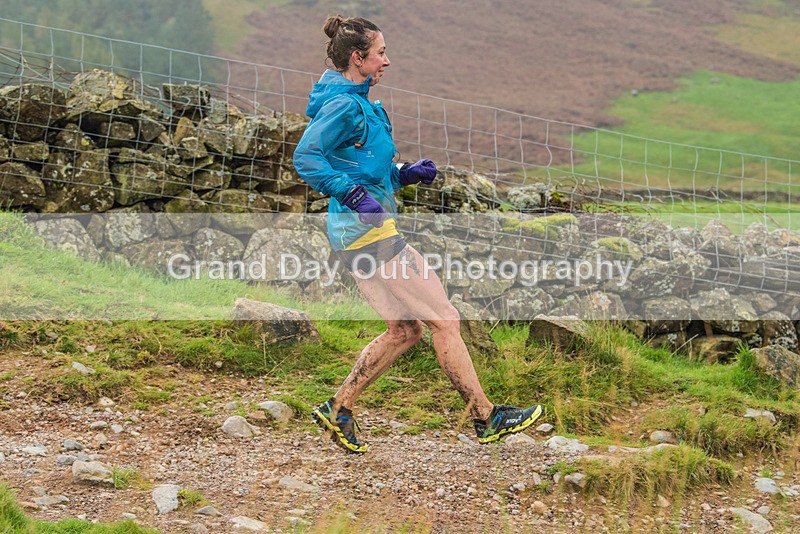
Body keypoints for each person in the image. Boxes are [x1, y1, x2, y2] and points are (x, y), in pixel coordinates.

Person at [292, 15, 543, 453]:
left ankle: (338, 409)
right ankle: (486, 416)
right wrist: (354, 196)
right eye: (380, 53)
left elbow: (366, 167)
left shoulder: (360, 101)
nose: (387, 60)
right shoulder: (344, 106)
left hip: (354, 232)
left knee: (404, 330)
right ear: (358, 57)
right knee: (444, 319)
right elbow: (307, 158)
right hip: (367, 231)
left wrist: (403, 174)